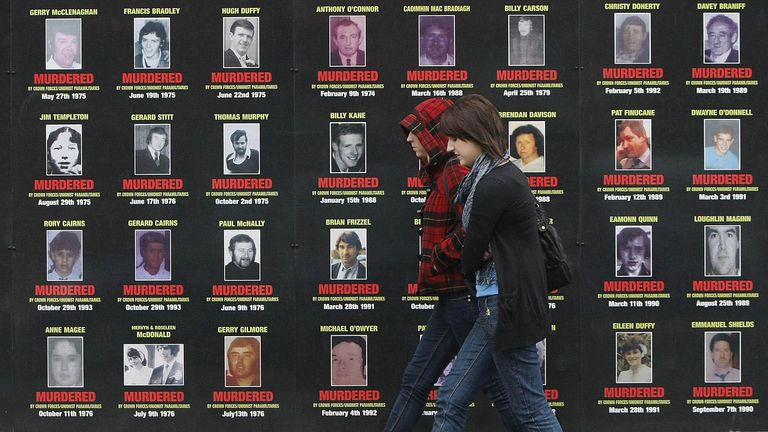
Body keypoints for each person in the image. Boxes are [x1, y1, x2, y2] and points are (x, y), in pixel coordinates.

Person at [431, 94, 562, 431]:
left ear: (477, 135)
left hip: (504, 306)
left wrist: (476, 254)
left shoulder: (493, 183)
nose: (450, 147)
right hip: (497, 305)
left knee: (532, 411)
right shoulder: (497, 176)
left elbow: (470, 255)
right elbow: (478, 249)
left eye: (457, 138)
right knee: (450, 399)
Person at [385, 98, 516, 432]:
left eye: (413, 131)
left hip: (463, 295)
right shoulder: (446, 170)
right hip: (452, 297)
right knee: (415, 382)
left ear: (431, 134)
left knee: (496, 390)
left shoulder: (455, 171)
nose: (408, 139)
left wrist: (440, 256)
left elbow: (477, 229)